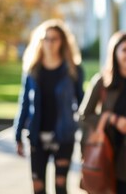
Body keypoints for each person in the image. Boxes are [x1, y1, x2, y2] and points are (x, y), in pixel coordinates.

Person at [78, 31, 126, 193]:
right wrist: (112, 119)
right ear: (115, 53)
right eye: (125, 50)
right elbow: (84, 116)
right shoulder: (102, 81)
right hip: (106, 157)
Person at [13, 19, 84, 194]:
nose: (50, 43)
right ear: (40, 41)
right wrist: (18, 133)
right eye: (46, 39)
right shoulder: (32, 69)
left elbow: (82, 102)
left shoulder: (72, 69)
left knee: (60, 187)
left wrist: (87, 136)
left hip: (64, 136)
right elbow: (24, 102)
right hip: (37, 135)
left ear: (62, 42)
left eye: (55, 39)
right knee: (38, 188)